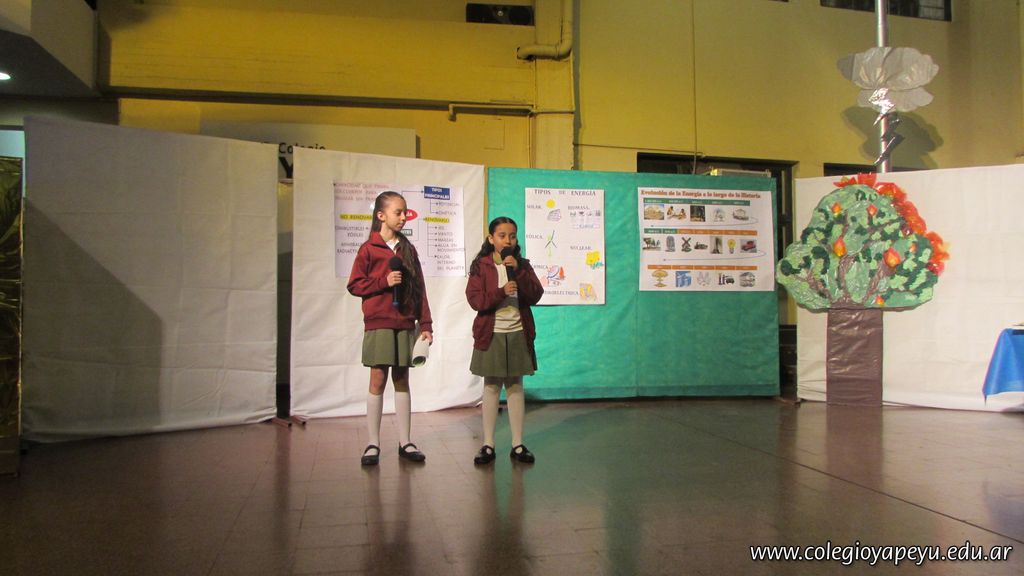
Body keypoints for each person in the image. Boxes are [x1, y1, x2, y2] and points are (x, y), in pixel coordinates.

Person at [347, 191, 433, 466]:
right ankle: (373, 442)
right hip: (379, 322)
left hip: (405, 322)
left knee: (402, 379)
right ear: (381, 215)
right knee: (377, 379)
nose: (404, 217)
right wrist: (382, 282)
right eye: (398, 212)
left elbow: (419, 289)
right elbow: (354, 285)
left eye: (405, 212)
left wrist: (426, 324)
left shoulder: (408, 250)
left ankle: (405, 441)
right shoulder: (368, 249)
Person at [465, 216, 544, 464]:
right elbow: (475, 300)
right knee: (491, 386)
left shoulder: (522, 265)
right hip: (492, 333)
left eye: (512, 236)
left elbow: (536, 294)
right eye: (501, 236)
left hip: (518, 332)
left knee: (515, 386)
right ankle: (488, 444)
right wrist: (501, 292)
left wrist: (518, 272)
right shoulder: (481, 266)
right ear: (491, 239)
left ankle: (517, 444)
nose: (507, 240)